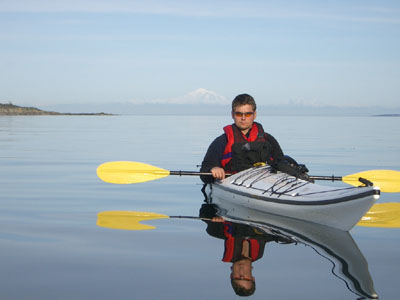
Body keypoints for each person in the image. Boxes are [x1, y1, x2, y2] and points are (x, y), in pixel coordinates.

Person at [200, 93, 310, 183]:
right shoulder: (221, 142)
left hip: (267, 183)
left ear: (254, 114)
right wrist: (213, 169)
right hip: (233, 184)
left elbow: (280, 162)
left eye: (248, 114)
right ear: (232, 115)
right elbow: (204, 173)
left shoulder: (268, 139)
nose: (243, 118)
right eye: (239, 114)